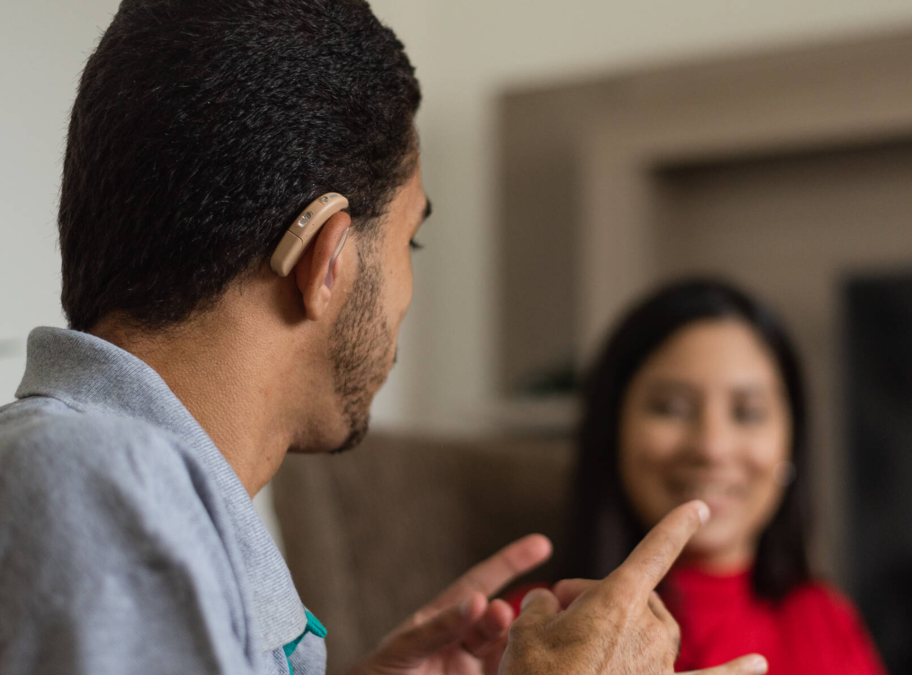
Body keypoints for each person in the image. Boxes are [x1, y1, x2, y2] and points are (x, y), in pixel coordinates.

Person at [0, 3, 770, 675]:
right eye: (411, 241)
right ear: (325, 259)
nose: (406, 294)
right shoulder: (100, 482)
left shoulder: (110, 485)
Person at [512, 279, 885, 675]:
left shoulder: (827, 621)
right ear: (612, 429)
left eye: (748, 413)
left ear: (791, 441)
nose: (712, 447)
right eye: (671, 408)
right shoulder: (526, 633)